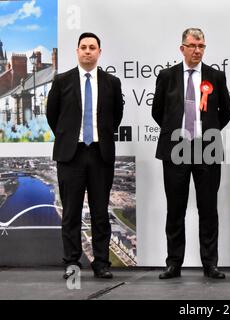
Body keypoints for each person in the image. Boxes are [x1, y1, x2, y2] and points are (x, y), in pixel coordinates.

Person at [152, 28, 230, 279]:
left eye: (202, 46)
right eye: (193, 45)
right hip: (175, 148)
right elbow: (158, 112)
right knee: (175, 209)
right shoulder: (166, 76)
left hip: (206, 148)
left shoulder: (215, 76)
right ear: (182, 48)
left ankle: (210, 264)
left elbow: (225, 113)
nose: (197, 50)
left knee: (208, 209)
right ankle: (173, 263)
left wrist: (207, 132)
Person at [47, 32, 124, 279]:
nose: (88, 51)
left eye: (92, 47)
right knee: (70, 212)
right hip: (71, 155)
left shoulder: (112, 82)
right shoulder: (62, 81)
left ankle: (101, 263)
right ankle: (72, 263)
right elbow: (53, 116)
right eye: (83, 47)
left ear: (99, 52)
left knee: (100, 212)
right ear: (77, 51)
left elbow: (116, 117)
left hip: (100, 155)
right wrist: (69, 137)